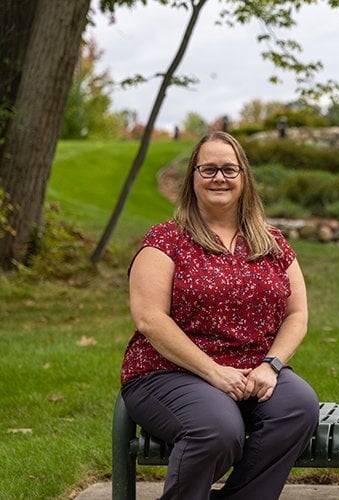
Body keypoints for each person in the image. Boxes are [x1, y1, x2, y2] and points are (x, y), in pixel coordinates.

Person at [119, 131, 319, 500]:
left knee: (298, 407)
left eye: (229, 169)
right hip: (169, 372)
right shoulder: (166, 240)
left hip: (253, 370)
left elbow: (297, 314)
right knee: (216, 429)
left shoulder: (271, 242)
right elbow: (150, 319)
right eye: (208, 169)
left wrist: (271, 366)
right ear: (192, 178)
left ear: (244, 177)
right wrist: (214, 372)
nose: (219, 178)